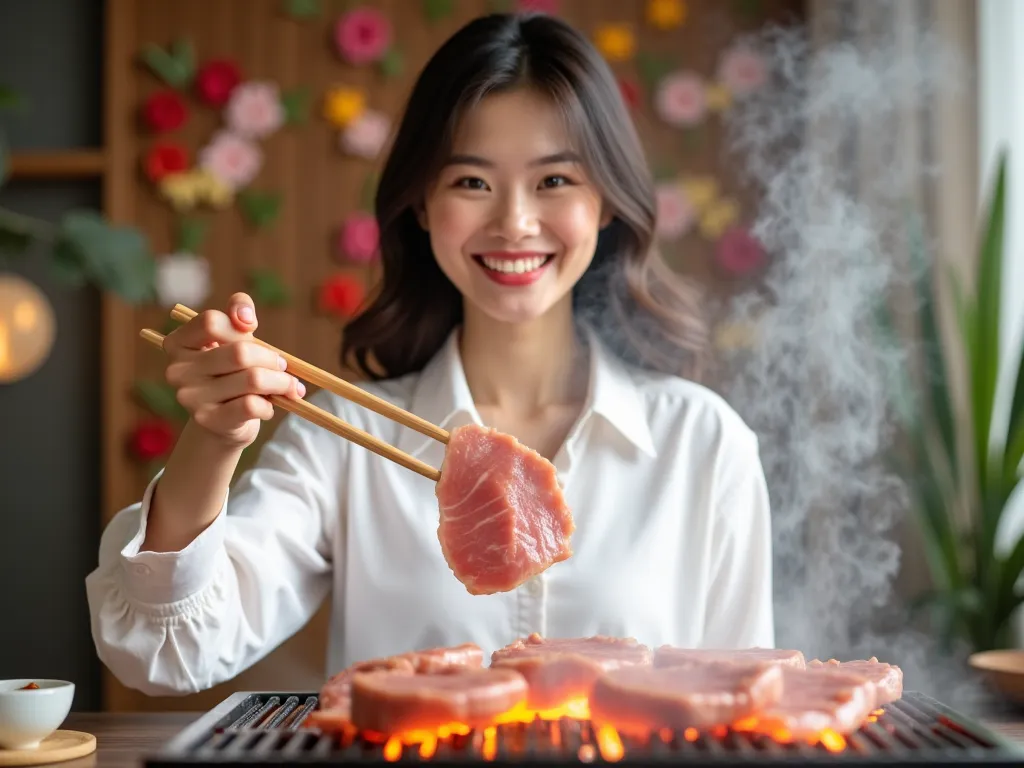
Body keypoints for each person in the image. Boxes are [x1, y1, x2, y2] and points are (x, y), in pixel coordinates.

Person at [86, 12, 774, 697]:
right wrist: (213, 438)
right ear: (420, 203)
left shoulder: (704, 443)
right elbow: (166, 653)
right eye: (472, 182)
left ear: (606, 204)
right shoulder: (349, 437)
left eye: (555, 181)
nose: (514, 222)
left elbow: (747, 705)